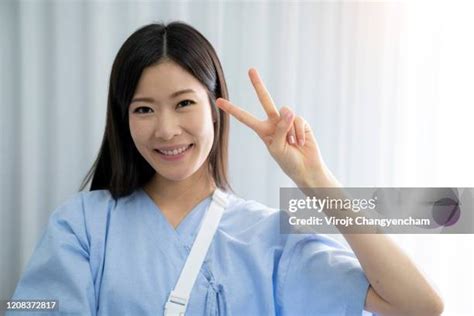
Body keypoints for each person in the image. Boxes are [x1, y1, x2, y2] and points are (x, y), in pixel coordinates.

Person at [9, 22, 443, 316]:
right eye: (143, 109)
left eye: (184, 103)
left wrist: (316, 180)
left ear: (216, 109)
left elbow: (419, 304)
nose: (166, 129)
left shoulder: (269, 239)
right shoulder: (81, 225)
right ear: (123, 118)